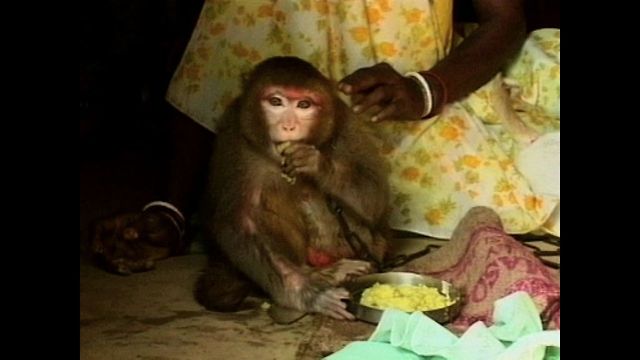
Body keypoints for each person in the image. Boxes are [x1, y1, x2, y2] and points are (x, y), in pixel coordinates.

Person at [92, 0, 559, 281]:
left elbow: (505, 20)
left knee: (507, 193)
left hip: (416, 118)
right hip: (273, 144)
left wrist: (424, 90)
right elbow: (212, 55)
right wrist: (170, 209)